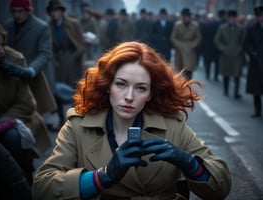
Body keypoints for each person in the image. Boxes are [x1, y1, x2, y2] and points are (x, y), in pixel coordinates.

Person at [33, 41, 231, 200]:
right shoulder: (78, 126)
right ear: (107, 85)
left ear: (151, 94)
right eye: (121, 84)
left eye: (141, 88)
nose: (129, 96)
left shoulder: (173, 126)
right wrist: (103, 177)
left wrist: (190, 164)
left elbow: (221, 188)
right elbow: (42, 188)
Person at [0, 22, 51, 184]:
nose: (0, 51)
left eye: (0, 44)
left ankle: (25, 177)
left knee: (13, 138)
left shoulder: (14, 59)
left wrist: (0, 124)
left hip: (18, 120)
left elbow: (26, 104)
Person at [4, 0, 57, 115]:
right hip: (11, 78)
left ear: (28, 11)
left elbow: (45, 53)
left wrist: (31, 70)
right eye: (14, 11)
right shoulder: (7, 26)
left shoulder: (41, 27)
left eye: (20, 11)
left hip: (32, 77)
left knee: (34, 115)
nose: (17, 15)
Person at [46, 0, 85, 88]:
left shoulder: (74, 24)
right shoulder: (48, 26)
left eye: (57, 10)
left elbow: (81, 45)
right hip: (57, 63)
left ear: (62, 11)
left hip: (73, 62)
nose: (55, 13)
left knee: (74, 88)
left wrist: (75, 56)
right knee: (60, 89)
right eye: (52, 11)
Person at [214, 10, 245, 98]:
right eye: (230, 18)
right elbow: (217, 40)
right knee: (226, 74)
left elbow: (243, 40)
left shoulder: (240, 28)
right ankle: (226, 90)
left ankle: (236, 92)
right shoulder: (222, 28)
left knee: (237, 75)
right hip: (226, 55)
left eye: (233, 18)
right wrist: (223, 48)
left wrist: (240, 48)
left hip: (237, 55)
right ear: (227, 19)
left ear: (235, 18)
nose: (231, 20)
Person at [171, 8, 202, 80]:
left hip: (190, 50)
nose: (186, 18)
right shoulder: (177, 25)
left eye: (187, 16)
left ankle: (188, 85)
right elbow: (173, 37)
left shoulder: (195, 26)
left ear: (190, 17)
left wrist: (193, 44)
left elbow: (198, 38)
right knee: (180, 71)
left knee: (189, 71)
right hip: (180, 51)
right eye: (184, 16)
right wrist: (179, 44)